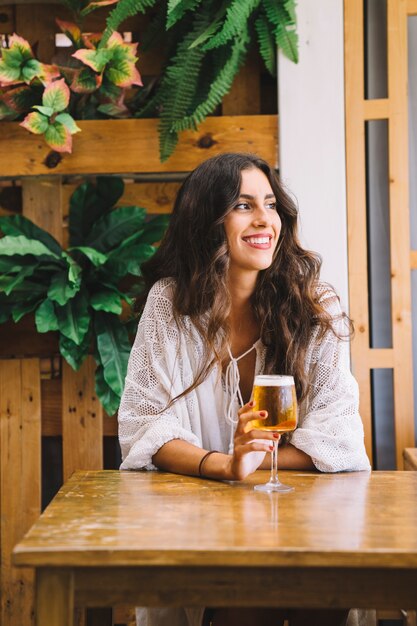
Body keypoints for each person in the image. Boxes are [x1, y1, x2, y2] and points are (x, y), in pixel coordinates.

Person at [118, 152, 371, 626]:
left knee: (322, 597)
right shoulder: (169, 306)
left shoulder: (314, 305)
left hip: (304, 515)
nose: (264, 220)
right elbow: (143, 425)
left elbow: (340, 438)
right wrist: (225, 466)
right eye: (242, 205)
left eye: (271, 204)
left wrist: (251, 463)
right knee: (244, 600)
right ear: (206, 219)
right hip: (201, 516)